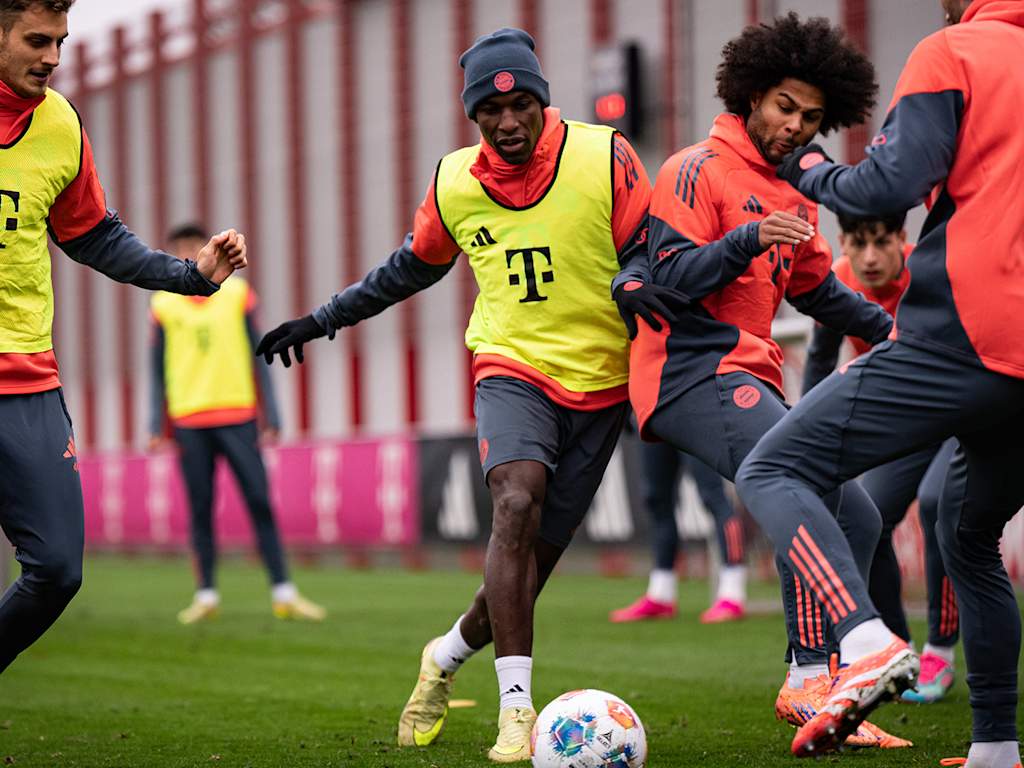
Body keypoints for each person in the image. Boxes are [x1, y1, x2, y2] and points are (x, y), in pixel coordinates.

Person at [257, 28, 685, 763]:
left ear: (542, 102)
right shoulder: (455, 181)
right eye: (490, 109)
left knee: (520, 578)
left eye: (520, 104)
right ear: (473, 116)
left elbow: (649, 245)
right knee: (515, 502)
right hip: (510, 367)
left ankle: (444, 658)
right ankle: (516, 713)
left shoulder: (603, 155)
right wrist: (324, 318)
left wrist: (637, 275)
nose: (507, 121)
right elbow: (407, 269)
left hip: (603, 382)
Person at [735, 0, 1024, 762]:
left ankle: (864, 642)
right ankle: (997, 747)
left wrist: (804, 165)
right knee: (968, 538)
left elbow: (883, 187)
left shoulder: (956, 49)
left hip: (965, 335)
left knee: (771, 463)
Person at [629, 13, 909, 750]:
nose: (795, 126)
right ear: (752, 93)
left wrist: (895, 331)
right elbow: (668, 278)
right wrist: (745, 239)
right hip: (689, 372)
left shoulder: (793, 192)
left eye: (812, 118)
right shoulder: (694, 168)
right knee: (802, 480)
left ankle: (807, 680)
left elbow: (818, 289)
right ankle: (859, 643)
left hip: (748, 373)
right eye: (786, 106)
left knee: (859, 516)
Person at [0, 0, 246, 673]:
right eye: (37, 40)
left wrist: (191, 276)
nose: (53, 57)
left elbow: (95, 235)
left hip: (25, 383)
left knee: (56, 568)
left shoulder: (58, 124)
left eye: (61, 41)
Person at [803, 212, 959, 704]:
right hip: (909, 421)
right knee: (867, 516)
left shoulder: (933, 275)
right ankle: (898, 650)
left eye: (880, 243)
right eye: (856, 244)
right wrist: (799, 429)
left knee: (941, 507)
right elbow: (820, 354)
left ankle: (940, 651)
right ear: (842, 243)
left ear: (902, 240)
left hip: (963, 411)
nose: (868, 258)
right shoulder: (841, 279)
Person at [149, 224, 325, 625]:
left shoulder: (238, 294)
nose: (190, 253)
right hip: (188, 417)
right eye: (182, 249)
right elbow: (155, 369)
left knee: (259, 501)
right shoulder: (163, 304)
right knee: (200, 509)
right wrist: (154, 423)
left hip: (237, 413)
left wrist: (273, 413)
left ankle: (284, 592)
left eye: (195, 245)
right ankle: (206, 595)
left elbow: (259, 352)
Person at [609, 440, 749, 624]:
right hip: (652, 417)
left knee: (713, 496)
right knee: (656, 499)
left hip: (694, 417)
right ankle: (661, 593)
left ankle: (733, 592)